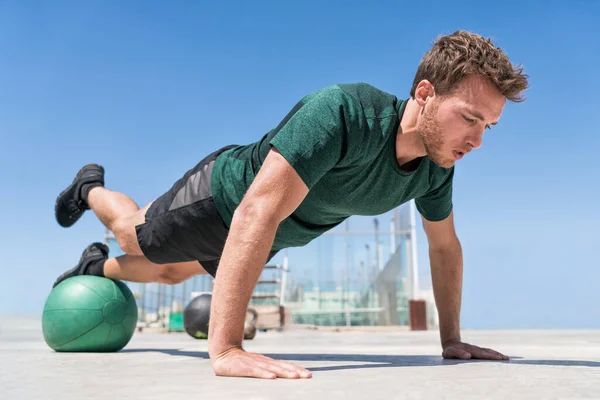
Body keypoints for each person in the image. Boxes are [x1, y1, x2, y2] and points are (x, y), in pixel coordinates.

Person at [52, 30, 529, 379]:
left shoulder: (436, 168)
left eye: (488, 126)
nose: (478, 140)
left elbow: (444, 248)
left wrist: (450, 342)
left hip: (265, 234)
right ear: (425, 94)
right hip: (225, 197)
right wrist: (227, 350)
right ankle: (90, 186)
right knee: (134, 235)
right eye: (469, 117)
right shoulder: (343, 113)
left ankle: (95, 266)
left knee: (170, 272)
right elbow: (256, 211)